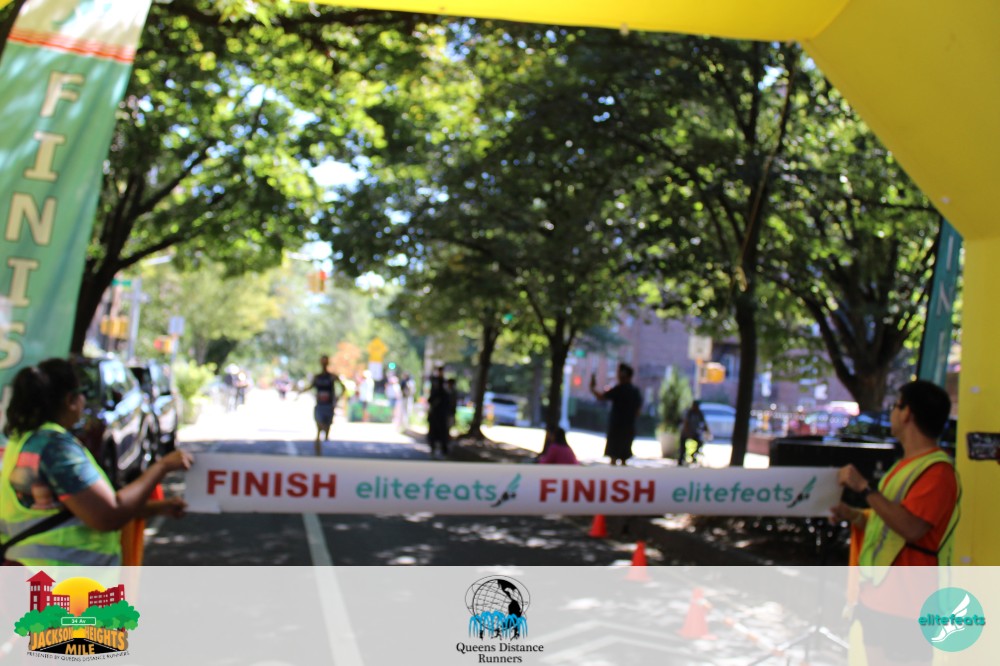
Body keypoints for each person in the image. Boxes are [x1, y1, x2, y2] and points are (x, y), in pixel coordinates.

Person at [1, 358, 192, 568]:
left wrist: (155, 508)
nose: (84, 401)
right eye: (82, 394)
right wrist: (162, 466)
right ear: (70, 400)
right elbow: (108, 515)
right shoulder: (55, 448)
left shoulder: (26, 440)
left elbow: (81, 505)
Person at [829, 380, 959, 666]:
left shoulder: (938, 472)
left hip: (908, 605)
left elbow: (912, 528)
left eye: (895, 406)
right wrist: (853, 514)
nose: (891, 414)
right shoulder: (907, 466)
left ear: (907, 413)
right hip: (879, 600)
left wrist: (864, 488)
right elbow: (885, 522)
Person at [590, 363, 643, 466]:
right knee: (624, 458)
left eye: (619, 373)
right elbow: (638, 412)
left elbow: (601, 397)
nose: (617, 375)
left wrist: (592, 388)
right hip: (628, 428)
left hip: (616, 428)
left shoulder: (619, 389)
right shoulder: (635, 391)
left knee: (613, 457)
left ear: (623, 374)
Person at [300, 355, 344, 455]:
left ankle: (325, 437)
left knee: (326, 429)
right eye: (322, 361)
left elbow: (343, 388)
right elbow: (310, 387)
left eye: (325, 361)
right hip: (320, 406)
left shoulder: (332, 377)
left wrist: (338, 398)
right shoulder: (317, 377)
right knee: (319, 429)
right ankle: (318, 454)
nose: (324, 363)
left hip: (329, 406)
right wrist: (300, 392)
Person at [678, 400, 711, 466]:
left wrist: (707, 431)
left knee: (700, 442)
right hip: (685, 433)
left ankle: (693, 455)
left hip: (694, 433)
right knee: (683, 446)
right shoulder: (689, 413)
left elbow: (704, 423)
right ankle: (681, 459)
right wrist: (688, 433)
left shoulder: (699, 413)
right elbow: (685, 423)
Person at [427, 367, 450, 458]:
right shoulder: (435, 382)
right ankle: (434, 448)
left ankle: (443, 450)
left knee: (442, 432)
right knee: (434, 431)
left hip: (441, 413)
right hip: (436, 413)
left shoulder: (443, 384)